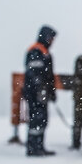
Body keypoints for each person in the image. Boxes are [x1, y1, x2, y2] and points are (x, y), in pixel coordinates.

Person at [23, 25, 57, 156]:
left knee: (42, 120)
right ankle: (32, 147)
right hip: (35, 93)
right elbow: (35, 74)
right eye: (51, 38)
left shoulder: (44, 52)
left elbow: (49, 76)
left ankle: (39, 146)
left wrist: (51, 92)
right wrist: (40, 90)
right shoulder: (35, 51)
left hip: (42, 93)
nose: (52, 41)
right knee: (36, 120)